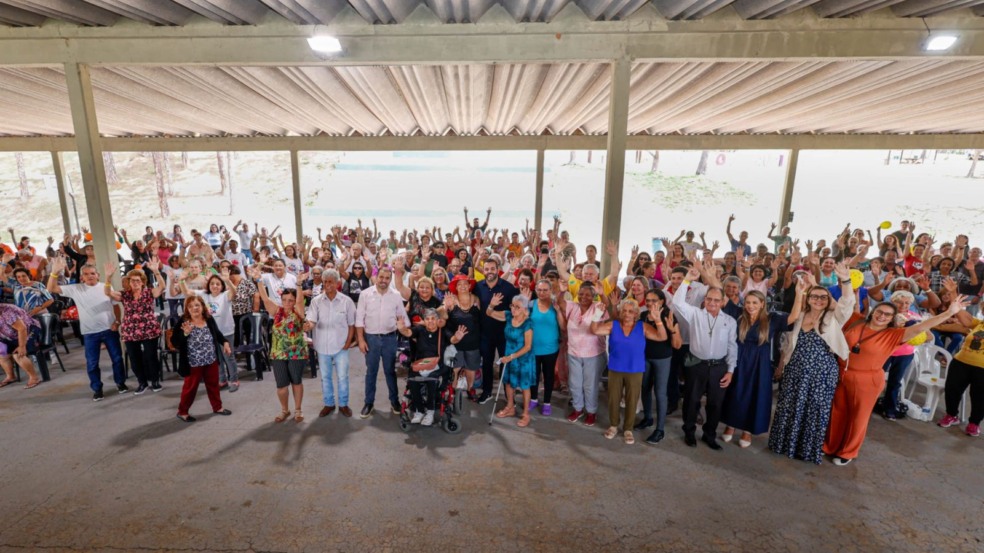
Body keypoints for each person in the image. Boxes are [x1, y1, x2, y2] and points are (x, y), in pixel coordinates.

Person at [823, 293, 968, 465]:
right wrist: (811, 282)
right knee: (837, 411)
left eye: (887, 315)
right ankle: (830, 446)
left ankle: (848, 452)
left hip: (867, 379)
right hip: (841, 374)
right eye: (879, 312)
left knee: (858, 417)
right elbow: (833, 304)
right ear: (872, 311)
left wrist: (948, 312)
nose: (881, 316)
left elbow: (922, 327)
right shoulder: (856, 320)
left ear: (892, 318)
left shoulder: (894, 334)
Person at [720, 282, 804, 449]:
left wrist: (800, 293)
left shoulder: (772, 319)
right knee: (735, 392)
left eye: (754, 303)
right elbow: (722, 296)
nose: (750, 306)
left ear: (762, 304)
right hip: (738, 359)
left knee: (755, 395)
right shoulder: (737, 314)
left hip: (760, 363)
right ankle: (730, 425)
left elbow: (794, 316)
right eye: (748, 302)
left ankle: (747, 430)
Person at [672, 267, 738, 450]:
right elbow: (677, 303)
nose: (712, 303)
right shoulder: (695, 314)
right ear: (704, 300)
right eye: (709, 299)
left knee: (715, 404)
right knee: (691, 401)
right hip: (696, 365)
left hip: (719, 367)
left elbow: (732, 347)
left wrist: (731, 371)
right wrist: (687, 280)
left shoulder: (730, 321)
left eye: (717, 300)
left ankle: (710, 435)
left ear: (723, 302)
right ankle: (689, 432)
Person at [47, 257, 127, 401]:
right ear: (82, 277)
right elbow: (51, 288)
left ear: (98, 275)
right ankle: (97, 389)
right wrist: (54, 273)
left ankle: (120, 383)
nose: (90, 276)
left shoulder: (106, 287)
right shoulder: (76, 288)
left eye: (92, 273)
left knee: (117, 359)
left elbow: (115, 305)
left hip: (109, 330)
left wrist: (117, 321)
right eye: (86, 274)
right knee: (92, 363)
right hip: (90, 333)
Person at [590, 297, 666, 444]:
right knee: (613, 398)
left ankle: (628, 429)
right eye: (624, 310)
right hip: (615, 368)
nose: (627, 314)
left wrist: (658, 320)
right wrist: (597, 314)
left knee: (632, 400)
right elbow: (594, 330)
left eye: (631, 311)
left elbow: (662, 337)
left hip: (635, 369)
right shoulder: (613, 325)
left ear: (636, 313)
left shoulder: (642, 326)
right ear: (620, 312)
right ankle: (613, 425)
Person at [251, 265, 307, 423]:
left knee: (296, 382)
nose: (287, 303)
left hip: (296, 352)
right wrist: (259, 280)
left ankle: (298, 410)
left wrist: (298, 284)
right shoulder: (276, 311)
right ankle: (285, 410)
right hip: (278, 353)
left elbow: (300, 302)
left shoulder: (298, 311)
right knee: (281, 385)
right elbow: (264, 298)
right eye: (284, 300)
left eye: (291, 300)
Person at [103, 259, 165, 395]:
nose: (135, 283)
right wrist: (108, 277)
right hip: (130, 331)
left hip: (149, 329)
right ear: (129, 283)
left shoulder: (149, 292)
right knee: (134, 358)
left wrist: (156, 272)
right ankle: (142, 382)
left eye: (138, 280)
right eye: (132, 281)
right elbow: (108, 292)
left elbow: (162, 287)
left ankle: (155, 381)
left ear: (142, 281)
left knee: (151, 356)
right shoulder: (124, 294)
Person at [355, 267, 410, 418]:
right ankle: (369, 403)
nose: (383, 281)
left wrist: (407, 329)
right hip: (370, 339)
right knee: (371, 371)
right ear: (376, 277)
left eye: (387, 278)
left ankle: (394, 401)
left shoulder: (396, 295)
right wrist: (360, 340)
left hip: (390, 338)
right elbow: (359, 319)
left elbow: (403, 317)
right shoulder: (365, 294)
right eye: (381, 277)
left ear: (390, 279)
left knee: (390, 371)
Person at [171, 296, 233, 422]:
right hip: (193, 362)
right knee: (190, 388)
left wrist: (225, 342)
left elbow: (217, 333)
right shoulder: (184, 322)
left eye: (197, 305)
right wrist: (185, 333)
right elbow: (175, 341)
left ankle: (218, 407)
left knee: (213, 385)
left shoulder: (208, 319)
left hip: (210, 359)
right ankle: (182, 412)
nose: (194, 308)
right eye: (191, 306)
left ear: (202, 306)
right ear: (187, 309)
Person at [304, 269, 356, 418]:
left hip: (341, 346)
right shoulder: (316, 301)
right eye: (325, 282)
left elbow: (351, 324)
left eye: (331, 282)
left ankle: (344, 404)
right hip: (321, 346)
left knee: (342, 377)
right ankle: (329, 404)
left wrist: (348, 342)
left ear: (337, 283)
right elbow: (312, 320)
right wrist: (308, 326)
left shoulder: (346, 301)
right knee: (325, 377)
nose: (327, 285)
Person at [557, 281, 606, 427]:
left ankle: (591, 412)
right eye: (581, 293)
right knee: (575, 383)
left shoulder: (597, 307)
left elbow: (607, 305)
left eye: (587, 294)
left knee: (589, 385)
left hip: (594, 354)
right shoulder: (573, 306)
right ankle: (578, 409)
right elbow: (559, 302)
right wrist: (561, 291)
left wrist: (603, 295)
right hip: (574, 353)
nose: (583, 296)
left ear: (593, 296)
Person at [182, 270, 238, 391]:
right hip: (211, 333)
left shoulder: (225, 295)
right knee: (217, 357)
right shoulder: (204, 294)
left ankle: (234, 380)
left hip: (226, 331)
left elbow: (234, 292)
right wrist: (182, 280)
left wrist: (228, 280)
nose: (215, 286)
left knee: (228, 356)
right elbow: (186, 292)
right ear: (208, 285)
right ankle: (222, 380)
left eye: (218, 284)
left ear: (222, 286)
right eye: (212, 283)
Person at [635, 289, 679, 444]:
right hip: (645, 357)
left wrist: (672, 329)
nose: (649, 303)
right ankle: (647, 418)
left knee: (660, 393)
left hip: (662, 359)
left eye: (653, 300)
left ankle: (660, 430)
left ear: (661, 301)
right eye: (647, 300)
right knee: (645, 388)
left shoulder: (669, 316)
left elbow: (677, 345)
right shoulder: (642, 315)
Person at [474, 257, 518, 404]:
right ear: (483, 270)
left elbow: (515, 310)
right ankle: (487, 392)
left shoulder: (508, 287)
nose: (489, 272)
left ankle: (508, 394)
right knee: (486, 363)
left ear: (497, 269)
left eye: (492, 269)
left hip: (504, 333)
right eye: (486, 269)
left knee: (506, 364)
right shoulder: (478, 286)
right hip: (485, 333)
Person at [936, 301, 984, 436]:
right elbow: (965, 318)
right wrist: (952, 296)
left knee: (979, 397)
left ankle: (974, 423)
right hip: (961, 362)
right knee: (952, 389)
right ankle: (951, 415)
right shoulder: (979, 323)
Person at [396, 308, 449, 425]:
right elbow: (408, 333)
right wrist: (401, 328)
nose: (430, 321)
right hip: (422, 363)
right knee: (413, 380)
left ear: (437, 320)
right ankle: (419, 411)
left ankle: (430, 412)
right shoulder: (420, 330)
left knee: (431, 381)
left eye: (433, 319)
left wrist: (458, 337)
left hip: (438, 364)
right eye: (427, 319)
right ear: (424, 321)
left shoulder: (442, 331)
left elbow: (453, 340)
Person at [489, 294, 535, 427]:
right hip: (508, 356)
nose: (514, 309)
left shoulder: (528, 323)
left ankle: (526, 414)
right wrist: (492, 304)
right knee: (508, 382)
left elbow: (528, 346)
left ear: (525, 309)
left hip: (523, 358)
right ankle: (510, 407)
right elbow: (489, 313)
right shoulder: (508, 316)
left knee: (525, 386)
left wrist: (511, 357)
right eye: (512, 306)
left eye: (518, 307)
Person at [443, 275, 482, 400]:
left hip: (473, 342)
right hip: (455, 341)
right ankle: (453, 390)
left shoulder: (476, 299)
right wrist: (445, 307)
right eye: (459, 284)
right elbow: (440, 315)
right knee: (455, 368)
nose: (463, 286)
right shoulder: (451, 299)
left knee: (471, 368)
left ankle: (470, 388)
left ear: (470, 286)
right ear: (456, 287)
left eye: (465, 284)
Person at [528, 279, 563, 416]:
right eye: (539, 290)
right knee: (534, 376)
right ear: (536, 290)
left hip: (550, 349)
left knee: (548, 377)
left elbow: (563, 326)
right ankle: (534, 399)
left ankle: (547, 402)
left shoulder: (555, 306)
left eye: (545, 290)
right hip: (533, 348)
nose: (542, 293)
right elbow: (523, 323)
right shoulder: (530, 305)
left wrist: (559, 311)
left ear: (550, 291)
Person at [0, 303, 42, 389]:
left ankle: (34, 378)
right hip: (11, 335)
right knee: (2, 354)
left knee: (18, 354)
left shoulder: (7, 312)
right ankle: (10, 377)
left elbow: (22, 328)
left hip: (29, 330)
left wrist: (22, 346)